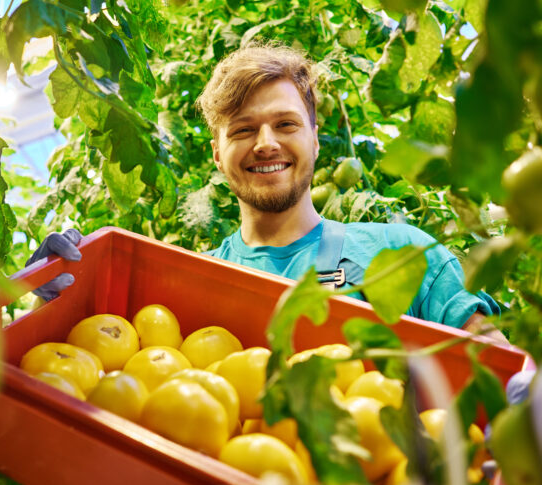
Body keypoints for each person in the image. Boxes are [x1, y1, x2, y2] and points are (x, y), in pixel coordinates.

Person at [29, 42, 504, 341]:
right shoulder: (184, 282)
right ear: (217, 154)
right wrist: (59, 302)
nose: (266, 143)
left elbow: (498, 367)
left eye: (286, 124)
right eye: (242, 130)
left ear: (316, 140)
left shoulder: (405, 255)